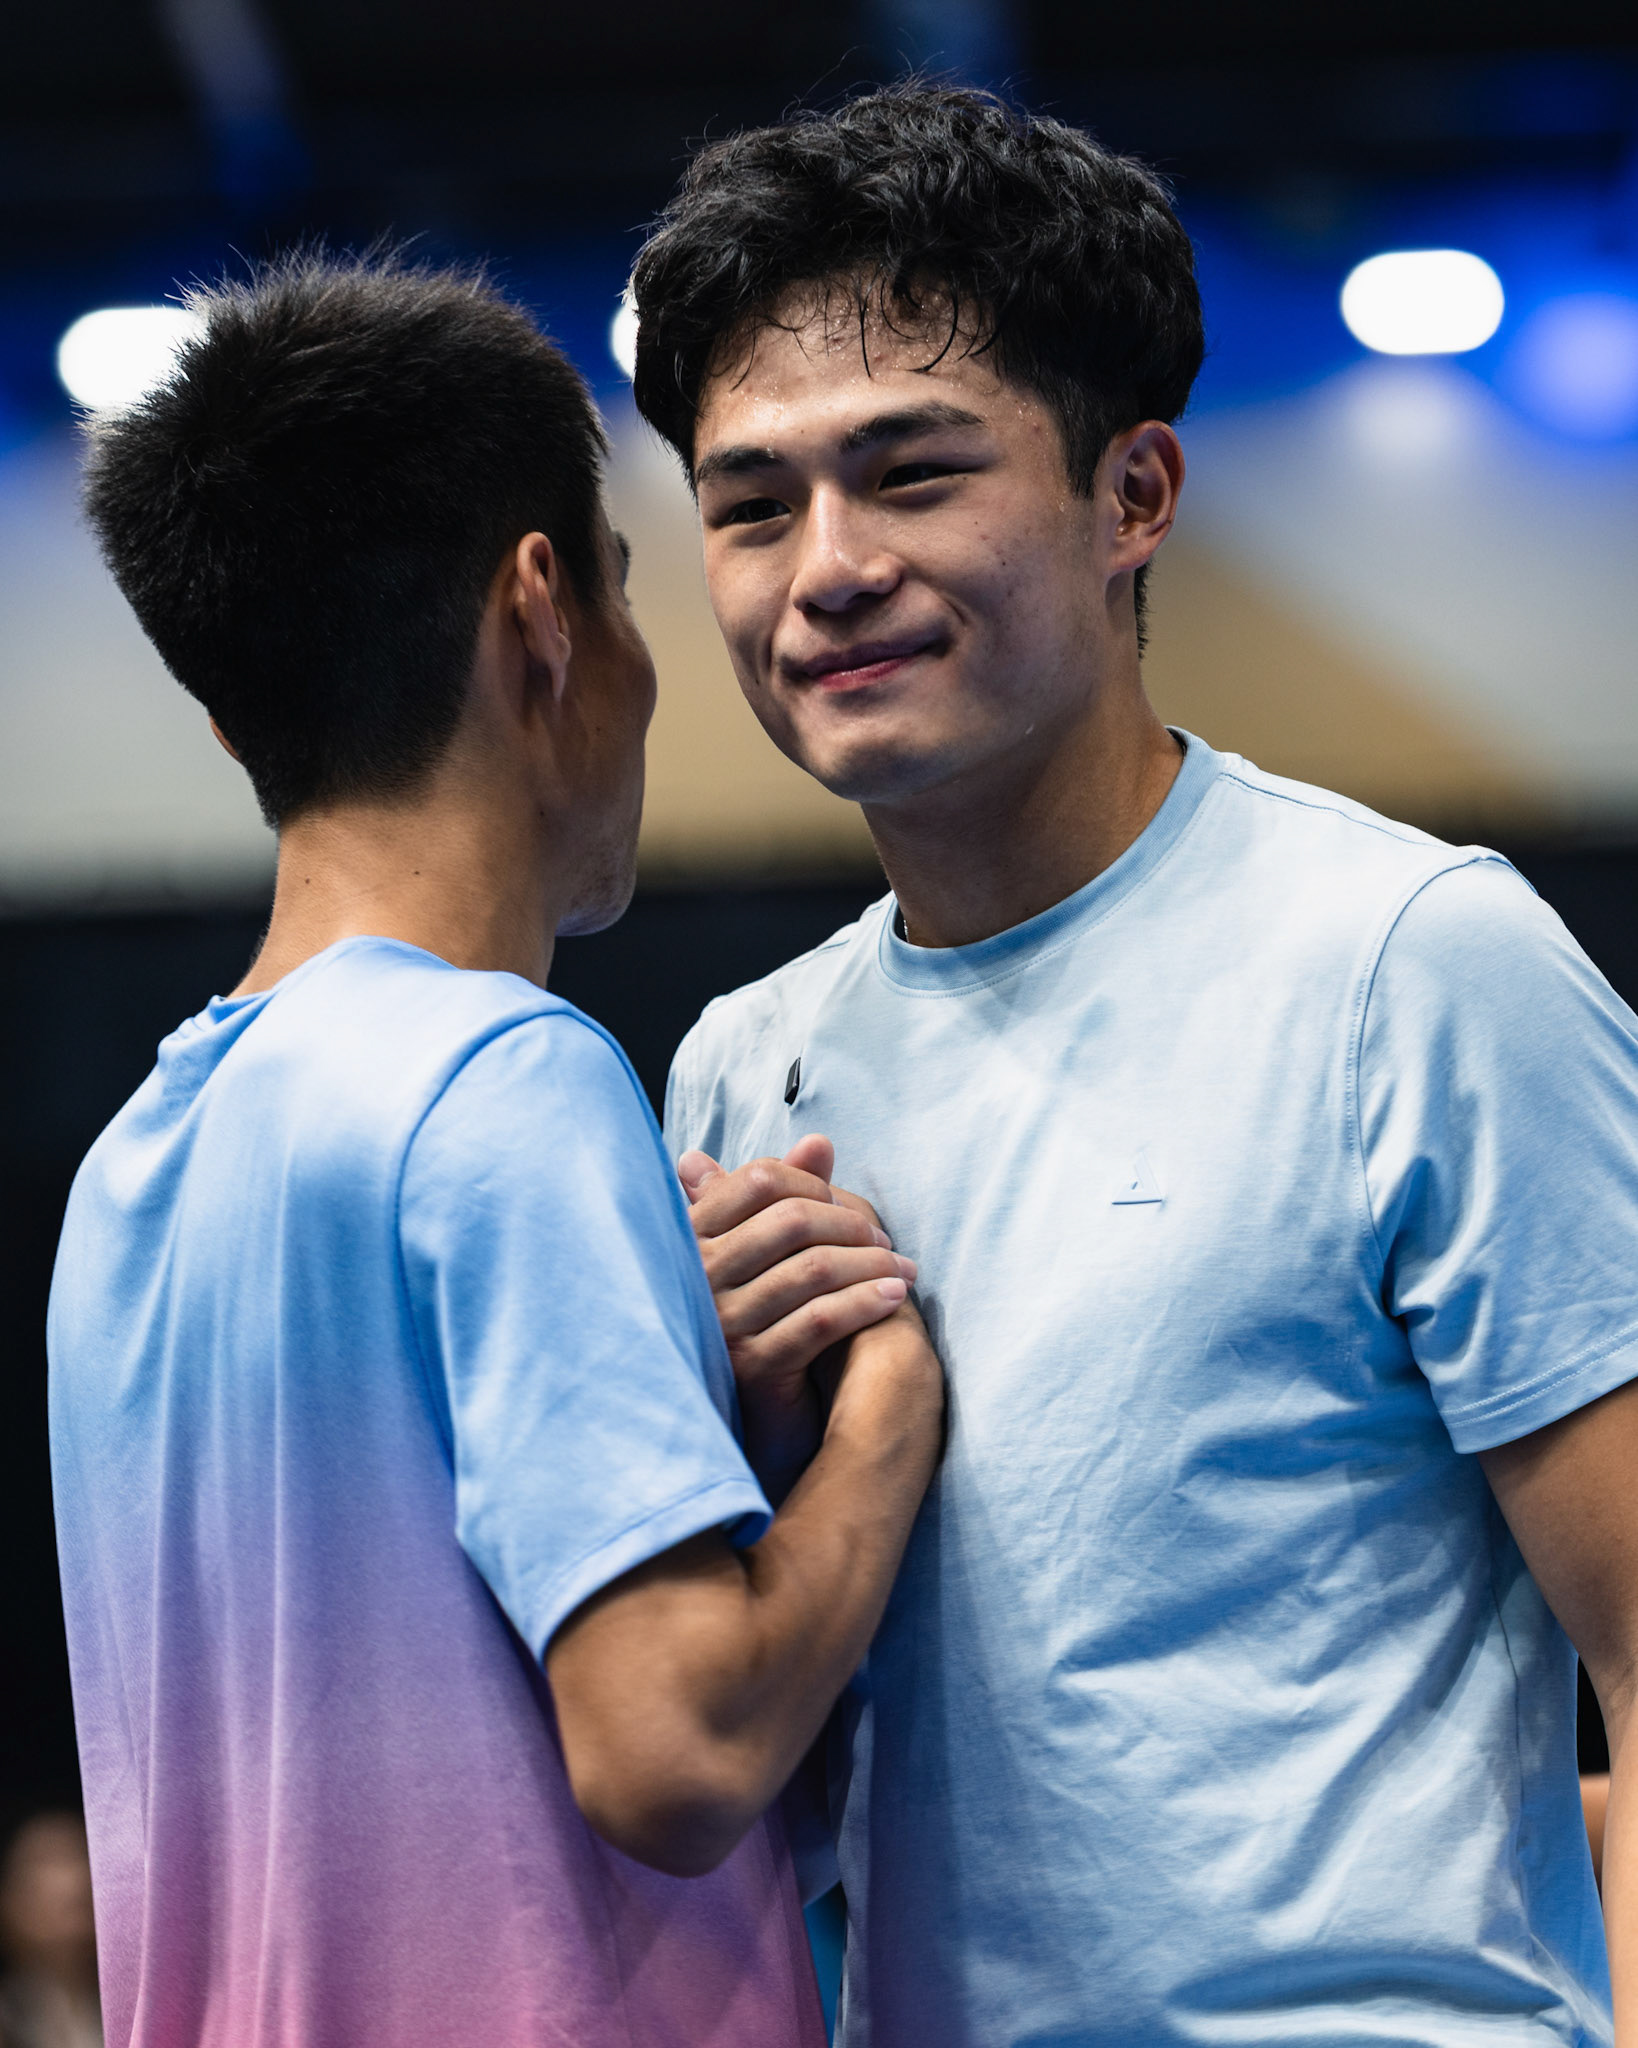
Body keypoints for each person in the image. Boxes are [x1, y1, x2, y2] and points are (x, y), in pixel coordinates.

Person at [631, 84, 1638, 2046]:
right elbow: (753, 1777)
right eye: (753, 504)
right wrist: (749, 1461)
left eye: (912, 472)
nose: (822, 567)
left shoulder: (1413, 964)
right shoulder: (743, 1073)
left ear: (1135, 496)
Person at [47, 249, 943, 2048]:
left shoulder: (128, 1165)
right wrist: (879, 1425)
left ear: (229, 719)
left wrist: (686, 1400)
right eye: (623, 587)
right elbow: (673, 1741)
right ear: (543, 612)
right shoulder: (505, 1076)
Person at [0, 1812, 101, 2048]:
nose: (72, 1876)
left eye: (78, 1853)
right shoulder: (10, 2017)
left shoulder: (140, 2008)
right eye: (45, 1859)